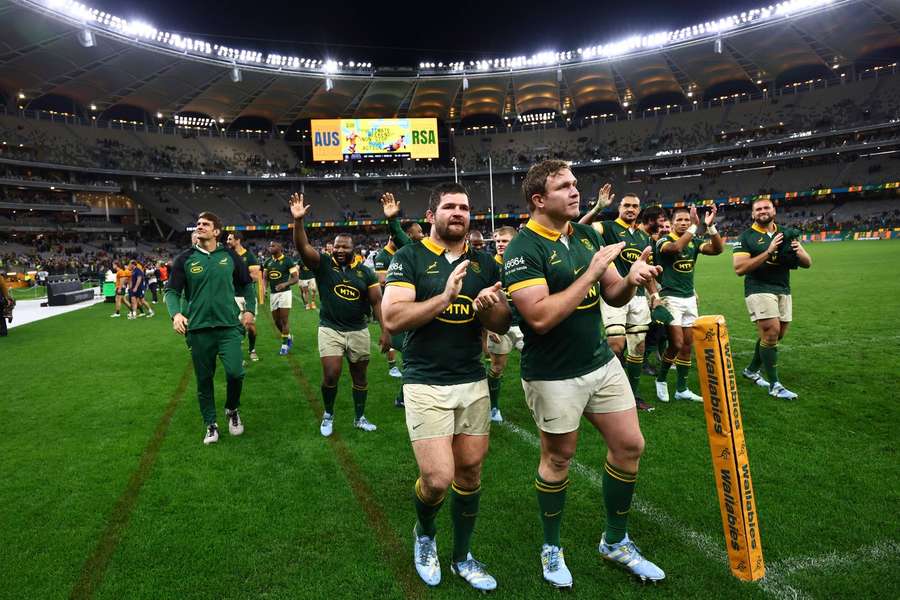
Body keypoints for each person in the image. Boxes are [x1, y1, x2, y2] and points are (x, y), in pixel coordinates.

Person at [502, 160, 664, 588]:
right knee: (558, 458)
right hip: (554, 374)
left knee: (630, 445)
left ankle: (615, 541)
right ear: (539, 199)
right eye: (564, 187)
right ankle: (551, 546)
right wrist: (591, 271)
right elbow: (537, 318)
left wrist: (631, 277)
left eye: (576, 184)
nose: (576, 192)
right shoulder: (522, 249)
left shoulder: (587, 234)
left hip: (599, 362)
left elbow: (612, 293)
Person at [382, 182, 510, 591]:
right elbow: (393, 319)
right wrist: (445, 296)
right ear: (432, 214)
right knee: (438, 478)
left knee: (469, 474)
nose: (458, 213)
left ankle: (462, 556)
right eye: (450, 207)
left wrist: (491, 310)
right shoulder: (409, 257)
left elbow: (503, 324)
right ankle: (425, 535)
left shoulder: (486, 263)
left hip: (471, 381)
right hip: (425, 381)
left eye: (465, 208)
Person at [290, 193, 390, 435]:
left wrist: (386, 330)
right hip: (330, 329)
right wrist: (298, 221)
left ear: (354, 249)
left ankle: (359, 417)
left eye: (345, 246)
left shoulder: (365, 272)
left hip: (358, 329)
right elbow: (303, 247)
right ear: (331, 248)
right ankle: (328, 414)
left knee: (360, 377)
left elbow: (377, 302)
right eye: (337, 246)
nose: (340, 250)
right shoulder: (324, 264)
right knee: (331, 374)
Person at [164, 212, 256, 445]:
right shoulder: (184, 259)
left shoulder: (230, 256)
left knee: (236, 372)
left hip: (228, 327)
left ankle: (232, 409)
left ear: (217, 232)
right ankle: (210, 424)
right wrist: (175, 314)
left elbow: (247, 284)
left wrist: (250, 310)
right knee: (204, 379)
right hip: (199, 329)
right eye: (198, 224)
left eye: (205, 224)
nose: (200, 226)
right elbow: (172, 292)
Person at [579, 185, 660, 412]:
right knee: (616, 345)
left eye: (635, 206)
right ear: (619, 208)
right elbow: (578, 228)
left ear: (639, 210)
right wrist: (597, 208)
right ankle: (603, 387)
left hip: (638, 298)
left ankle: (632, 396)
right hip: (614, 291)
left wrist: (654, 295)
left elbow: (647, 268)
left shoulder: (645, 237)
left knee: (638, 347)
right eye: (626, 205)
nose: (631, 209)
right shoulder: (606, 227)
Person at [733, 198, 811, 399]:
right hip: (758, 288)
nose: (762, 211)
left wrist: (796, 249)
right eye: (758, 209)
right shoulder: (746, 237)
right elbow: (740, 268)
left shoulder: (786, 233)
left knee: (777, 335)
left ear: (774, 210)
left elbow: (807, 262)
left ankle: (751, 370)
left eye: (766, 207)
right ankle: (775, 385)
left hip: (783, 288)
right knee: (771, 332)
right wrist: (768, 252)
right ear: (752, 214)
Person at [654, 205, 723, 403]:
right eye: (680, 220)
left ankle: (682, 389)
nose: (684, 223)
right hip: (670, 298)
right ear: (672, 223)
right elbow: (676, 248)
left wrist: (710, 227)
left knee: (686, 346)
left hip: (689, 299)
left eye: (687, 220)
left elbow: (717, 249)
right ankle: (661, 379)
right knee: (675, 343)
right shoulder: (664, 241)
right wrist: (694, 226)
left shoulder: (694, 241)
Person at [372, 192, 424, 408]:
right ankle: (405, 396)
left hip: (418, 314)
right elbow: (383, 284)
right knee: (417, 356)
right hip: (403, 313)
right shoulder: (407, 250)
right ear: (409, 237)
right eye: (419, 232)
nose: (423, 234)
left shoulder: (423, 252)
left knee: (420, 357)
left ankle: (405, 396)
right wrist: (392, 219)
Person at [485, 225, 524, 423]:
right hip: (500, 326)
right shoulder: (489, 266)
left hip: (525, 325)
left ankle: (539, 401)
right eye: (498, 241)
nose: (500, 245)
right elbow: (482, 298)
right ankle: (492, 406)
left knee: (536, 362)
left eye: (504, 241)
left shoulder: (523, 262)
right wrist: (488, 326)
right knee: (498, 367)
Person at [226, 231, 264, 362]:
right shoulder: (227, 256)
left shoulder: (249, 256)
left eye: (230, 239)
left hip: (247, 295)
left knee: (250, 325)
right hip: (233, 297)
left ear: (237, 240)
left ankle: (252, 349)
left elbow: (254, 277)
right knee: (236, 327)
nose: (227, 241)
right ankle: (237, 355)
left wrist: (237, 275)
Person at [263, 241, 300, 355]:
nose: (270, 247)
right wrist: (264, 288)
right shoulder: (267, 262)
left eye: (273, 246)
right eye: (269, 245)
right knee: (276, 321)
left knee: (284, 320)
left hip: (285, 293)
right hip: (273, 294)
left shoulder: (288, 261)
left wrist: (284, 284)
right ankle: (288, 337)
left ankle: (285, 345)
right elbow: (265, 278)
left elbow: (295, 278)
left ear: (280, 247)